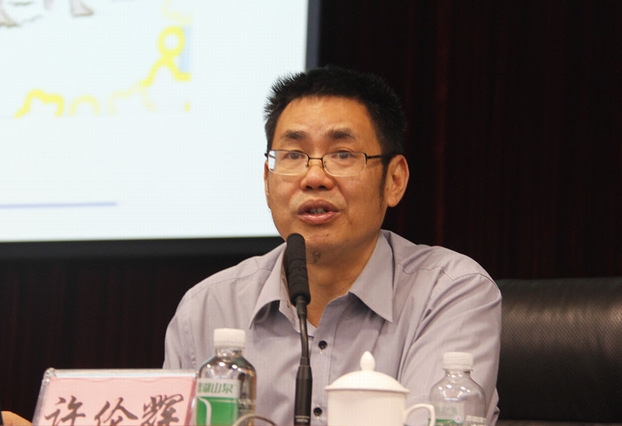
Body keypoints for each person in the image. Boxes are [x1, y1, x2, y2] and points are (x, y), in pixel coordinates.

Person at [163, 66, 501, 426]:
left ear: (394, 180)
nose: (314, 178)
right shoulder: (207, 309)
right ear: (267, 181)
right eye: (293, 155)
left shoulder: (448, 293)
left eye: (342, 154)